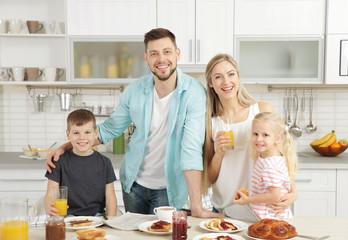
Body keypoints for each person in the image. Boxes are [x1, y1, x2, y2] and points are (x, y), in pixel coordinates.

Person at [46, 28, 220, 218]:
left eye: (167, 52)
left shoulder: (194, 93)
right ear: (147, 59)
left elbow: (191, 148)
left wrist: (196, 206)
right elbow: (110, 129)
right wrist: (64, 147)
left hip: (168, 188)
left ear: (177, 54)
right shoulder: (135, 90)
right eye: (154, 53)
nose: (161, 59)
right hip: (134, 185)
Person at [203, 53, 297, 222]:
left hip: (259, 208)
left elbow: (281, 159)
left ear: (238, 77)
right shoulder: (211, 123)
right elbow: (209, 178)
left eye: (231, 74)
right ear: (211, 83)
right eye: (218, 77)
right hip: (224, 208)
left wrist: (293, 192)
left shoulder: (261, 110)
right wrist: (219, 153)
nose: (226, 82)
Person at [44, 109, 117, 217]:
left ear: (95, 133)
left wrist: (111, 222)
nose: (82, 137)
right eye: (76, 133)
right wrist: (49, 208)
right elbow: (50, 195)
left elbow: (110, 198)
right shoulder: (58, 162)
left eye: (87, 132)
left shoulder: (105, 162)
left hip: (98, 218)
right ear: (68, 135)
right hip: (68, 217)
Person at [233, 112, 298, 222]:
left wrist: (248, 200)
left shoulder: (269, 166)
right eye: (255, 134)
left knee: (226, 212)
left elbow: (275, 196)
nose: (259, 139)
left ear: (278, 138)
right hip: (270, 214)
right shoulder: (276, 157)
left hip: (265, 216)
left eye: (265, 135)